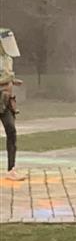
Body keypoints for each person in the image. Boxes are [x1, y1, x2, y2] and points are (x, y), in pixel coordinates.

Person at [0, 27, 24, 181]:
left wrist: (13, 81)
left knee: (11, 130)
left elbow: (7, 75)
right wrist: (6, 80)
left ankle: (11, 169)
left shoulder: (8, 58)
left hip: (6, 99)